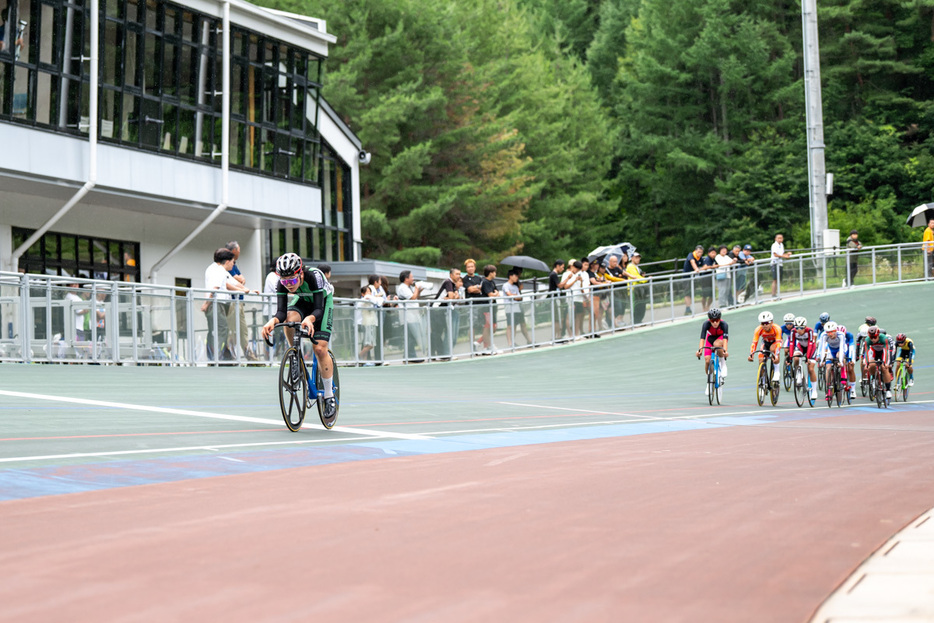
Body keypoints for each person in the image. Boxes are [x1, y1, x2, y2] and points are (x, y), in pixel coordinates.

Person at [260, 253, 337, 419]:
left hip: (322, 303)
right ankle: (294, 354)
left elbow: (318, 308)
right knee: (288, 320)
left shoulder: (314, 276)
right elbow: (281, 312)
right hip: (302, 301)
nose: (288, 285)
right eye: (285, 281)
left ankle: (329, 396)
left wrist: (309, 319)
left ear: (301, 273)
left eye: (292, 281)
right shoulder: (282, 284)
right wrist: (272, 322)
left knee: (320, 348)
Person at [202, 247, 253, 361]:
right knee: (221, 329)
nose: (233, 265)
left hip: (217, 303)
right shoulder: (218, 270)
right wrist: (206, 304)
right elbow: (215, 288)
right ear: (228, 261)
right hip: (216, 303)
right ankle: (217, 358)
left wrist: (246, 289)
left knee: (216, 330)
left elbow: (230, 282)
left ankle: (217, 357)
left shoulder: (218, 270)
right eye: (233, 262)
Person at [224, 241, 256, 361]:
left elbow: (241, 279)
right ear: (233, 251)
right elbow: (235, 279)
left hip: (238, 302)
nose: (239, 252)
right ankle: (230, 357)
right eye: (238, 250)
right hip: (232, 302)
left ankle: (249, 356)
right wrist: (240, 282)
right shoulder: (226, 264)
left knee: (242, 330)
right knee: (232, 331)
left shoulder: (234, 264)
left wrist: (240, 281)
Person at [696, 308, 729, 396]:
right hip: (710, 339)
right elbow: (702, 338)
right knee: (707, 360)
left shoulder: (724, 324)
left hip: (720, 338)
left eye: (717, 320)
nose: (715, 323)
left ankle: (723, 363)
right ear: (709, 320)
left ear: (720, 319)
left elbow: (725, 340)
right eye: (712, 320)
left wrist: (725, 351)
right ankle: (709, 382)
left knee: (717, 344)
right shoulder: (706, 324)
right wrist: (700, 350)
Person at [396, 270, 426, 360]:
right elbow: (412, 298)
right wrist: (416, 288)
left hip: (412, 315)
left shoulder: (408, 287)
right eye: (411, 277)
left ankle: (408, 356)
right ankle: (411, 356)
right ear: (406, 279)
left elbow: (415, 296)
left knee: (411, 336)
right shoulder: (403, 288)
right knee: (411, 336)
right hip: (408, 317)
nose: (413, 279)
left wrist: (419, 291)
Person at [815, 322, 849, 399]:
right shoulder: (824, 335)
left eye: (832, 332)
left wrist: (840, 361)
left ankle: (843, 374)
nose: (830, 334)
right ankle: (829, 389)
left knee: (839, 356)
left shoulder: (841, 335)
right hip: (831, 350)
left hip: (840, 349)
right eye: (828, 332)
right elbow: (822, 348)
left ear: (835, 330)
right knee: (828, 368)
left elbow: (841, 347)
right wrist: (821, 360)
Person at [433, 267, 462, 353]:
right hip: (437, 310)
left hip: (443, 311)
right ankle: (440, 353)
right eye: (457, 274)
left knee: (442, 332)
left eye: (459, 274)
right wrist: (454, 296)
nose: (459, 276)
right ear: (451, 275)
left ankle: (442, 353)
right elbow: (451, 297)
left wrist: (453, 297)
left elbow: (451, 298)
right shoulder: (448, 282)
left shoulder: (453, 284)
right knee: (437, 333)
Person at [748, 310, 782, 385]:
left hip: (776, 342)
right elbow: (754, 343)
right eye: (762, 323)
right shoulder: (758, 329)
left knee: (773, 350)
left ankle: (777, 372)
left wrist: (776, 355)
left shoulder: (777, 328)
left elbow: (778, 343)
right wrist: (751, 355)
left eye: (767, 323)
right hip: (766, 343)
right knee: (761, 360)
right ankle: (763, 380)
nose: (765, 325)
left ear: (771, 322)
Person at [790, 316, 818, 401]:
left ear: (805, 327)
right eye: (797, 327)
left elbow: (810, 344)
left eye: (801, 328)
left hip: (811, 348)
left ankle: (814, 390)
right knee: (796, 358)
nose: (799, 330)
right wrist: (791, 357)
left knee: (810, 368)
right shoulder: (793, 331)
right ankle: (798, 373)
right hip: (801, 347)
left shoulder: (809, 331)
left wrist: (808, 357)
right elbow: (791, 344)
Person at [358, 277, 384, 364]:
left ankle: (364, 361)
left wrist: (377, 297)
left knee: (368, 343)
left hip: (372, 323)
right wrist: (377, 296)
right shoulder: (364, 299)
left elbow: (379, 301)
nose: (369, 293)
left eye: (370, 291)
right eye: (367, 291)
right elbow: (376, 300)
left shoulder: (370, 299)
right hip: (368, 323)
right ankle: (359, 356)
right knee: (369, 344)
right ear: (363, 293)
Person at [863, 325, 893, 400]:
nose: (873, 339)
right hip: (874, 353)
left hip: (883, 353)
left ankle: (888, 389)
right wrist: (867, 364)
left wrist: (885, 363)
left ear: (878, 335)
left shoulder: (883, 338)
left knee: (884, 368)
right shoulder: (867, 340)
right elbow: (866, 352)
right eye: (871, 337)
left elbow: (886, 351)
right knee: (871, 365)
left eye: (875, 337)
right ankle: (874, 379)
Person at [502, 269, 530, 346]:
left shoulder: (515, 286)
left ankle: (513, 341)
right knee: (510, 326)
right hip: (509, 308)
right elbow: (509, 295)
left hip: (517, 308)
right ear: (510, 276)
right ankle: (510, 343)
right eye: (515, 276)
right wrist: (514, 296)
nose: (517, 278)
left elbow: (519, 297)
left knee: (514, 325)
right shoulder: (505, 285)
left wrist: (514, 296)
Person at [560, 260, 587, 339]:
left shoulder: (579, 274)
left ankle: (577, 334)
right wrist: (575, 280)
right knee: (569, 316)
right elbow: (565, 287)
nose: (577, 270)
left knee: (578, 316)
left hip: (579, 298)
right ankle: (570, 334)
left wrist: (581, 281)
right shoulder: (566, 274)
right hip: (571, 298)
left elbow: (581, 287)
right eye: (576, 268)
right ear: (572, 266)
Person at [626, 251, 649, 325]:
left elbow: (638, 276)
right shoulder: (630, 266)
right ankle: (635, 321)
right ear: (632, 258)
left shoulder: (636, 267)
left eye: (639, 257)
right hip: (634, 289)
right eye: (636, 257)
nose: (638, 259)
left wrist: (643, 276)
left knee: (641, 305)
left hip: (638, 289)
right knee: (636, 306)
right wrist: (646, 279)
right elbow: (636, 277)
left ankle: (639, 320)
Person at [682, 245, 705, 314]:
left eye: (701, 252)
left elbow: (704, 265)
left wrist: (701, 269)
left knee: (691, 292)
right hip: (686, 277)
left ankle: (690, 308)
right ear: (695, 251)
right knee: (687, 293)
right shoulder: (691, 255)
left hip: (693, 278)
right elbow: (692, 262)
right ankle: (687, 308)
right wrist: (696, 269)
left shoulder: (700, 258)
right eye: (698, 252)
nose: (699, 253)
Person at [548, 260, 566, 339]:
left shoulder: (554, 274)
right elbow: (559, 285)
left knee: (557, 317)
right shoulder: (553, 274)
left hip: (555, 298)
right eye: (562, 267)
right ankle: (557, 336)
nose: (563, 269)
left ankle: (557, 335)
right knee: (556, 318)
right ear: (558, 266)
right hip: (554, 298)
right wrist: (567, 279)